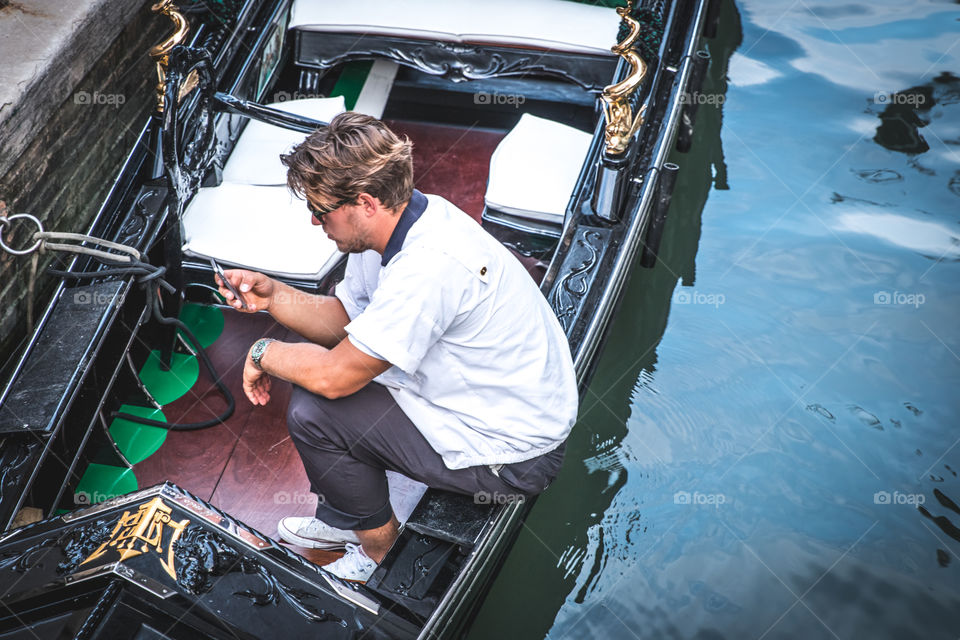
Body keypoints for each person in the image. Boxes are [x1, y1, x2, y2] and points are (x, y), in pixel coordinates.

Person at [216, 112, 578, 581]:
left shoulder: (428, 265)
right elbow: (347, 322)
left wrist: (263, 352)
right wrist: (273, 296)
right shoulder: (399, 226)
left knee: (316, 408)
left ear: (365, 202)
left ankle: (379, 556)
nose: (313, 219)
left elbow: (334, 375)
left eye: (320, 210)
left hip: (513, 455)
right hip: (485, 407)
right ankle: (344, 520)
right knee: (317, 392)